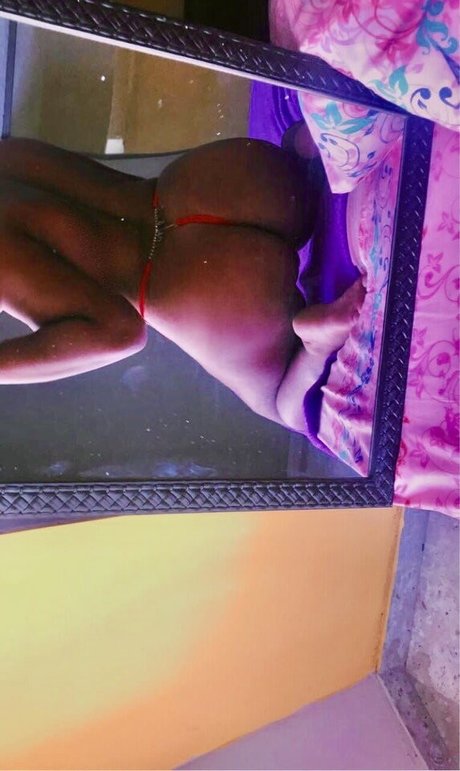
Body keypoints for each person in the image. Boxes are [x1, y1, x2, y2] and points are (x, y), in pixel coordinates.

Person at [0, 133, 364, 434]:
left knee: (284, 408)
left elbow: (120, 332)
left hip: (189, 282)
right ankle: (306, 155)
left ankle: (316, 346)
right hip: (219, 180)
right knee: (300, 179)